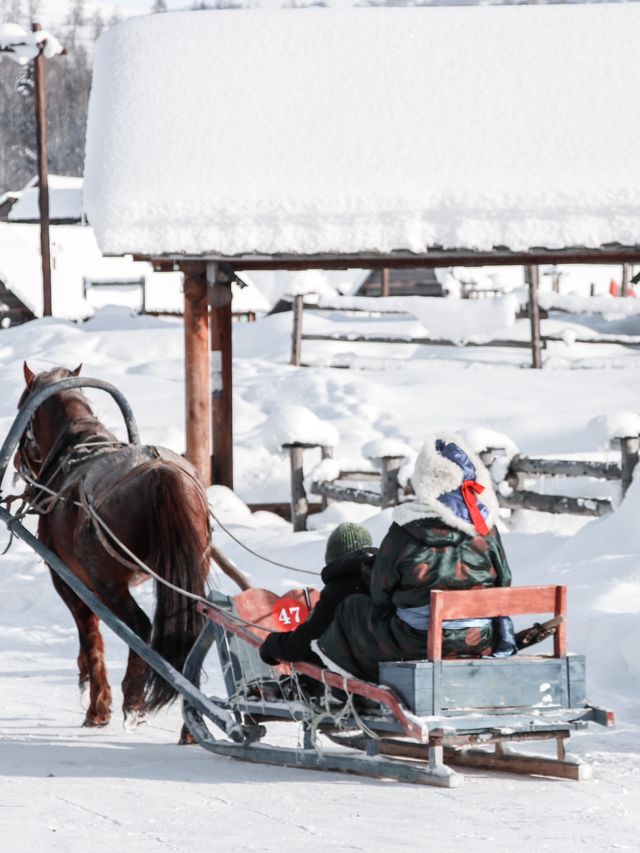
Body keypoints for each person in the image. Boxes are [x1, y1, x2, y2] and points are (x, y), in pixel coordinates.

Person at [311, 433, 513, 683]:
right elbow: (504, 580)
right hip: (481, 640)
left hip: (416, 643)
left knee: (352, 608)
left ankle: (363, 683)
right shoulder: (486, 529)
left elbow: (380, 594)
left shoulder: (406, 529)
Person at [259, 522, 378, 666]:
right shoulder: (386, 579)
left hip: (359, 675)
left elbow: (305, 643)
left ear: (331, 557)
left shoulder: (338, 590)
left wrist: (271, 645)